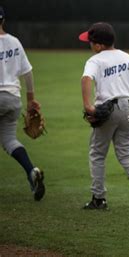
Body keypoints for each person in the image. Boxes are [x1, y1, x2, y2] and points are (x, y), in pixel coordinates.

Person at [79, 22, 129, 214]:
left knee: (97, 154)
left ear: (99, 45)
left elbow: (86, 79)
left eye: (91, 42)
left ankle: (98, 199)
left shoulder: (96, 60)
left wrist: (88, 106)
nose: (90, 45)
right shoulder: (126, 57)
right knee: (125, 153)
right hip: (127, 108)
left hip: (107, 108)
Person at [0, 6, 45, 201]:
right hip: (12, 98)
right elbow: (27, 73)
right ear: (3, 20)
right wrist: (30, 100)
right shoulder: (14, 42)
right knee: (10, 140)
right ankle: (31, 171)